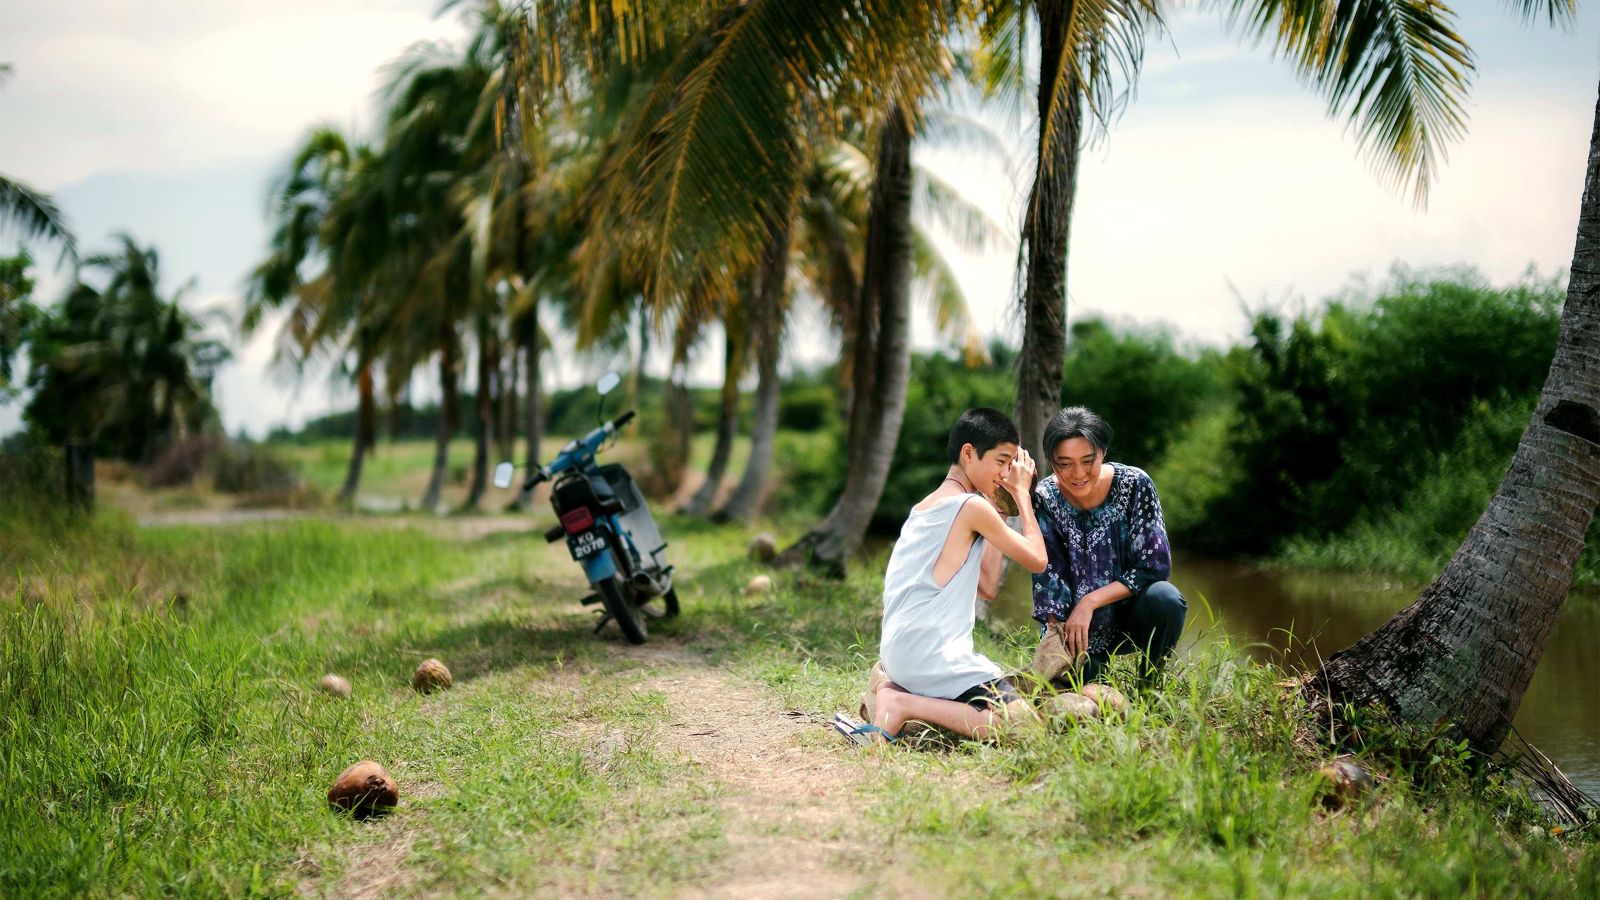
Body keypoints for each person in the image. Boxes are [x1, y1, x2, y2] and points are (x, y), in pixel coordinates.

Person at [856, 408, 1049, 743]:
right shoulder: (970, 508)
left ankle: (893, 690)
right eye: (1002, 461)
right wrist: (1022, 495)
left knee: (1008, 711)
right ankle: (902, 702)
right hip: (929, 653)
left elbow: (987, 586)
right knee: (1027, 728)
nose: (1006, 472)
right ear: (969, 453)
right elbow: (1038, 560)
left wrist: (1000, 503)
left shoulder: (927, 507)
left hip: (902, 651)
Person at [1028, 406, 1186, 686]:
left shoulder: (1135, 484)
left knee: (1166, 598)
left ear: (1102, 452)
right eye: (1065, 464)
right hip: (1079, 630)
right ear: (1052, 462)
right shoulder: (1045, 498)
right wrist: (1056, 641)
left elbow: (1153, 565)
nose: (1078, 474)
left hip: (1131, 614)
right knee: (1085, 695)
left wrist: (1091, 601)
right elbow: (1049, 576)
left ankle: (1149, 686)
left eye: (1088, 460)